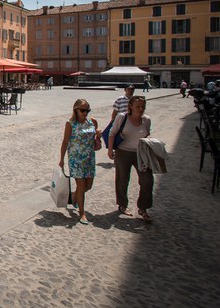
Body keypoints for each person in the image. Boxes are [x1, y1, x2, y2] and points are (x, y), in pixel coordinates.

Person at [108, 95, 153, 223]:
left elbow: (147, 135)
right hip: (123, 152)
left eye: (143, 106)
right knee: (122, 179)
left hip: (141, 153)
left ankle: (143, 208)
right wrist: (110, 149)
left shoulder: (146, 120)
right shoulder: (122, 117)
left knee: (147, 180)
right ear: (131, 106)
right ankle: (122, 205)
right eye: (138, 106)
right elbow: (112, 133)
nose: (141, 109)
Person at [59, 99, 101, 224]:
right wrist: (61, 159)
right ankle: (82, 213)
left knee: (88, 186)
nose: (85, 113)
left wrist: (98, 136)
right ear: (76, 110)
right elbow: (65, 142)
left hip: (89, 158)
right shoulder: (70, 124)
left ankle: (73, 196)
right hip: (76, 159)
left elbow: (94, 140)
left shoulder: (92, 122)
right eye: (82, 110)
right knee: (81, 186)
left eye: (87, 110)